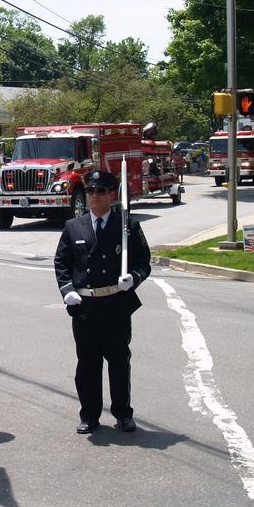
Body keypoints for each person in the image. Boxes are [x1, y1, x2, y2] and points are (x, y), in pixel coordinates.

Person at [53, 170, 151, 435]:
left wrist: (135, 277)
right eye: (90, 191)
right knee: (87, 365)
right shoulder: (74, 226)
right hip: (85, 307)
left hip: (116, 304)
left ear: (111, 195)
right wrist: (67, 290)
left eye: (99, 191)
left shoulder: (127, 225)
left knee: (119, 363)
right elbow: (62, 262)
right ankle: (89, 415)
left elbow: (144, 261)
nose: (93, 196)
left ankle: (123, 414)